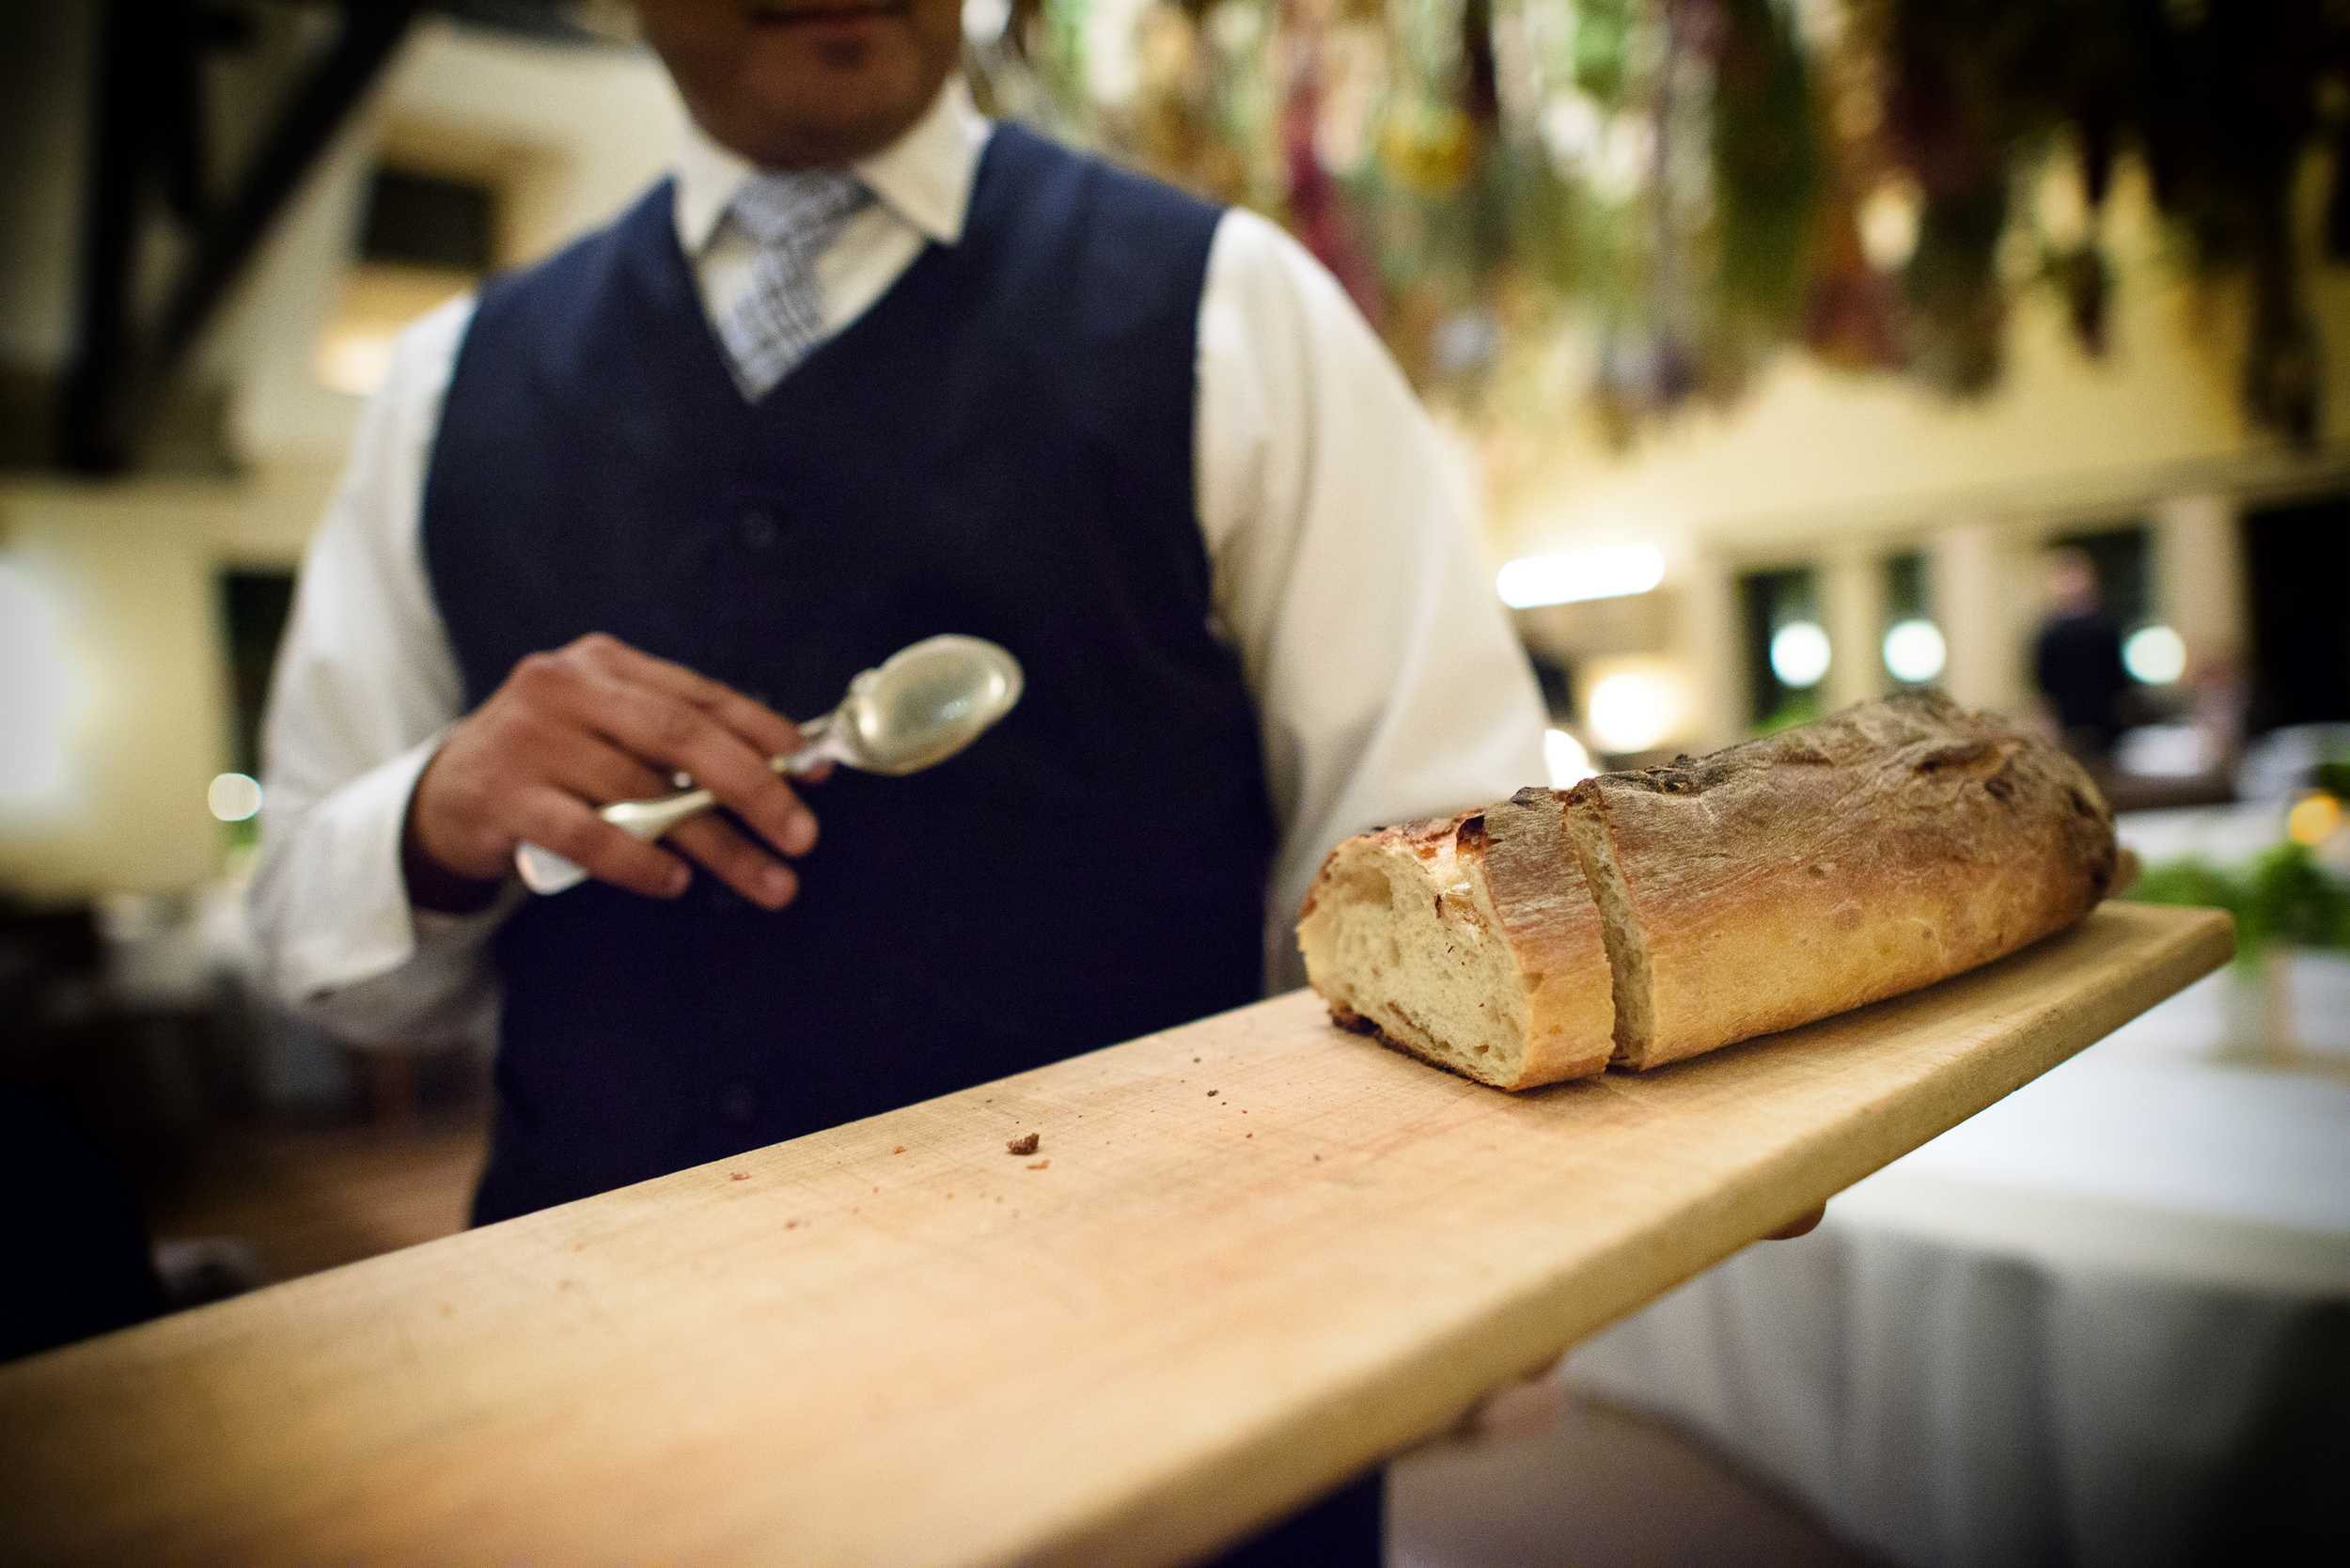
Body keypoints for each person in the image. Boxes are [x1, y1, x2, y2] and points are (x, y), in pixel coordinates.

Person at [253, 1, 1543, 1556]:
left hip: (1170, 1415)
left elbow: (1453, 889)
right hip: (592, 1449)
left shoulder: (1231, 309)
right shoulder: (442, 393)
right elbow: (316, 952)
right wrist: (428, 820)